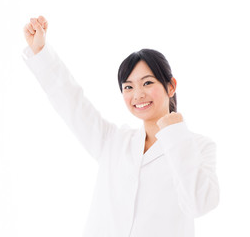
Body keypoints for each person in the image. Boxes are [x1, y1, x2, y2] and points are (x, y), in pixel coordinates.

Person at [22, 16, 219, 237]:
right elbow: (72, 102)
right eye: (128, 87)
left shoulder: (199, 146)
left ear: (171, 86)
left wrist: (174, 134)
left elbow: (199, 205)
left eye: (147, 83)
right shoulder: (113, 141)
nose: (138, 95)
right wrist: (41, 52)